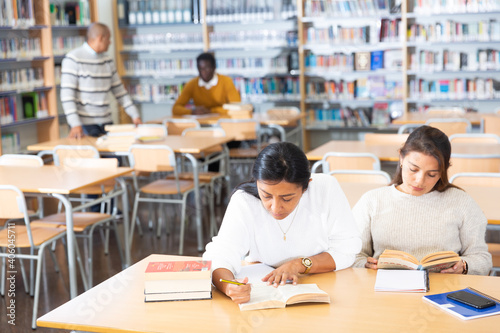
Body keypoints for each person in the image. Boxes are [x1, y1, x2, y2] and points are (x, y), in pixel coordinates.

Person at [202, 142, 361, 304]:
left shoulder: (325, 188)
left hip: (327, 284)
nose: (276, 207)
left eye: (287, 198)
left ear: (305, 187)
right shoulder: (244, 200)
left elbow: (347, 249)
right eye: (266, 195)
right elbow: (220, 255)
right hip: (267, 290)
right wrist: (229, 287)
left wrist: (299, 265)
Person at [352, 125, 492, 275]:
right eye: (413, 169)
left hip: (443, 290)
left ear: (443, 171)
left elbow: (482, 259)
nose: (419, 181)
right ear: (401, 158)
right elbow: (352, 256)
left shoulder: (461, 202)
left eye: (431, 174)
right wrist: (364, 266)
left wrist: (465, 266)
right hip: (384, 290)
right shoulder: (372, 201)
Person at [61, 22, 141, 139]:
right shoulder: (73, 59)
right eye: (108, 39)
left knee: (115, 157)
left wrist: (135, 115)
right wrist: (75, 123)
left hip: (106, 123)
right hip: (84, 126)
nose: (110, 42)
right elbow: (67, 96)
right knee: (93, 157)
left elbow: (120, 92)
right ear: (100, 38)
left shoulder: (108, 61)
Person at [172, 52, 241, 116]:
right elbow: (175, 108)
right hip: (201, 123)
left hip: (223, 122)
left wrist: (211, 111)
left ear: (214, 67)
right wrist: (192, 111)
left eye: (206, 68)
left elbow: (237, 107)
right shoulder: (192, 84)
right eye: (200, 69)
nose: (203, 72)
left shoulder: (226, 81)